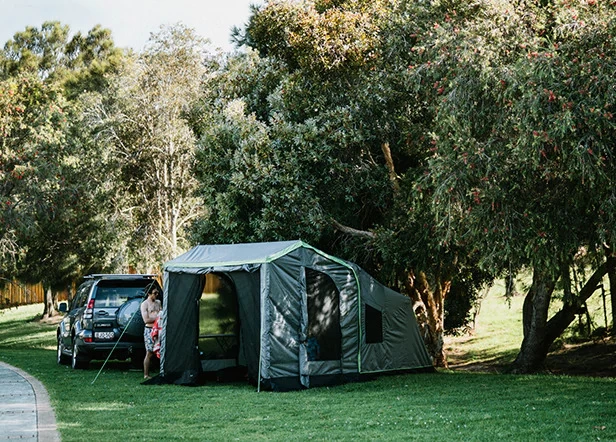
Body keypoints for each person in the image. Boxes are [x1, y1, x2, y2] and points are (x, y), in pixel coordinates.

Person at [141, 288, 162, 379]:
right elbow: (146, 320)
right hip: (149, 329)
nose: (156, 294)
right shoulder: (144, 304)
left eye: (157, 293)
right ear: (149, 293)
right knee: (149, 352)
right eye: (154, 293)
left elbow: (162, 313)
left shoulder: (158, 302)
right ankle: (146, 374)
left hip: (159, 329)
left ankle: (162, 371)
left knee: (161, 349)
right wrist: (157, 318)